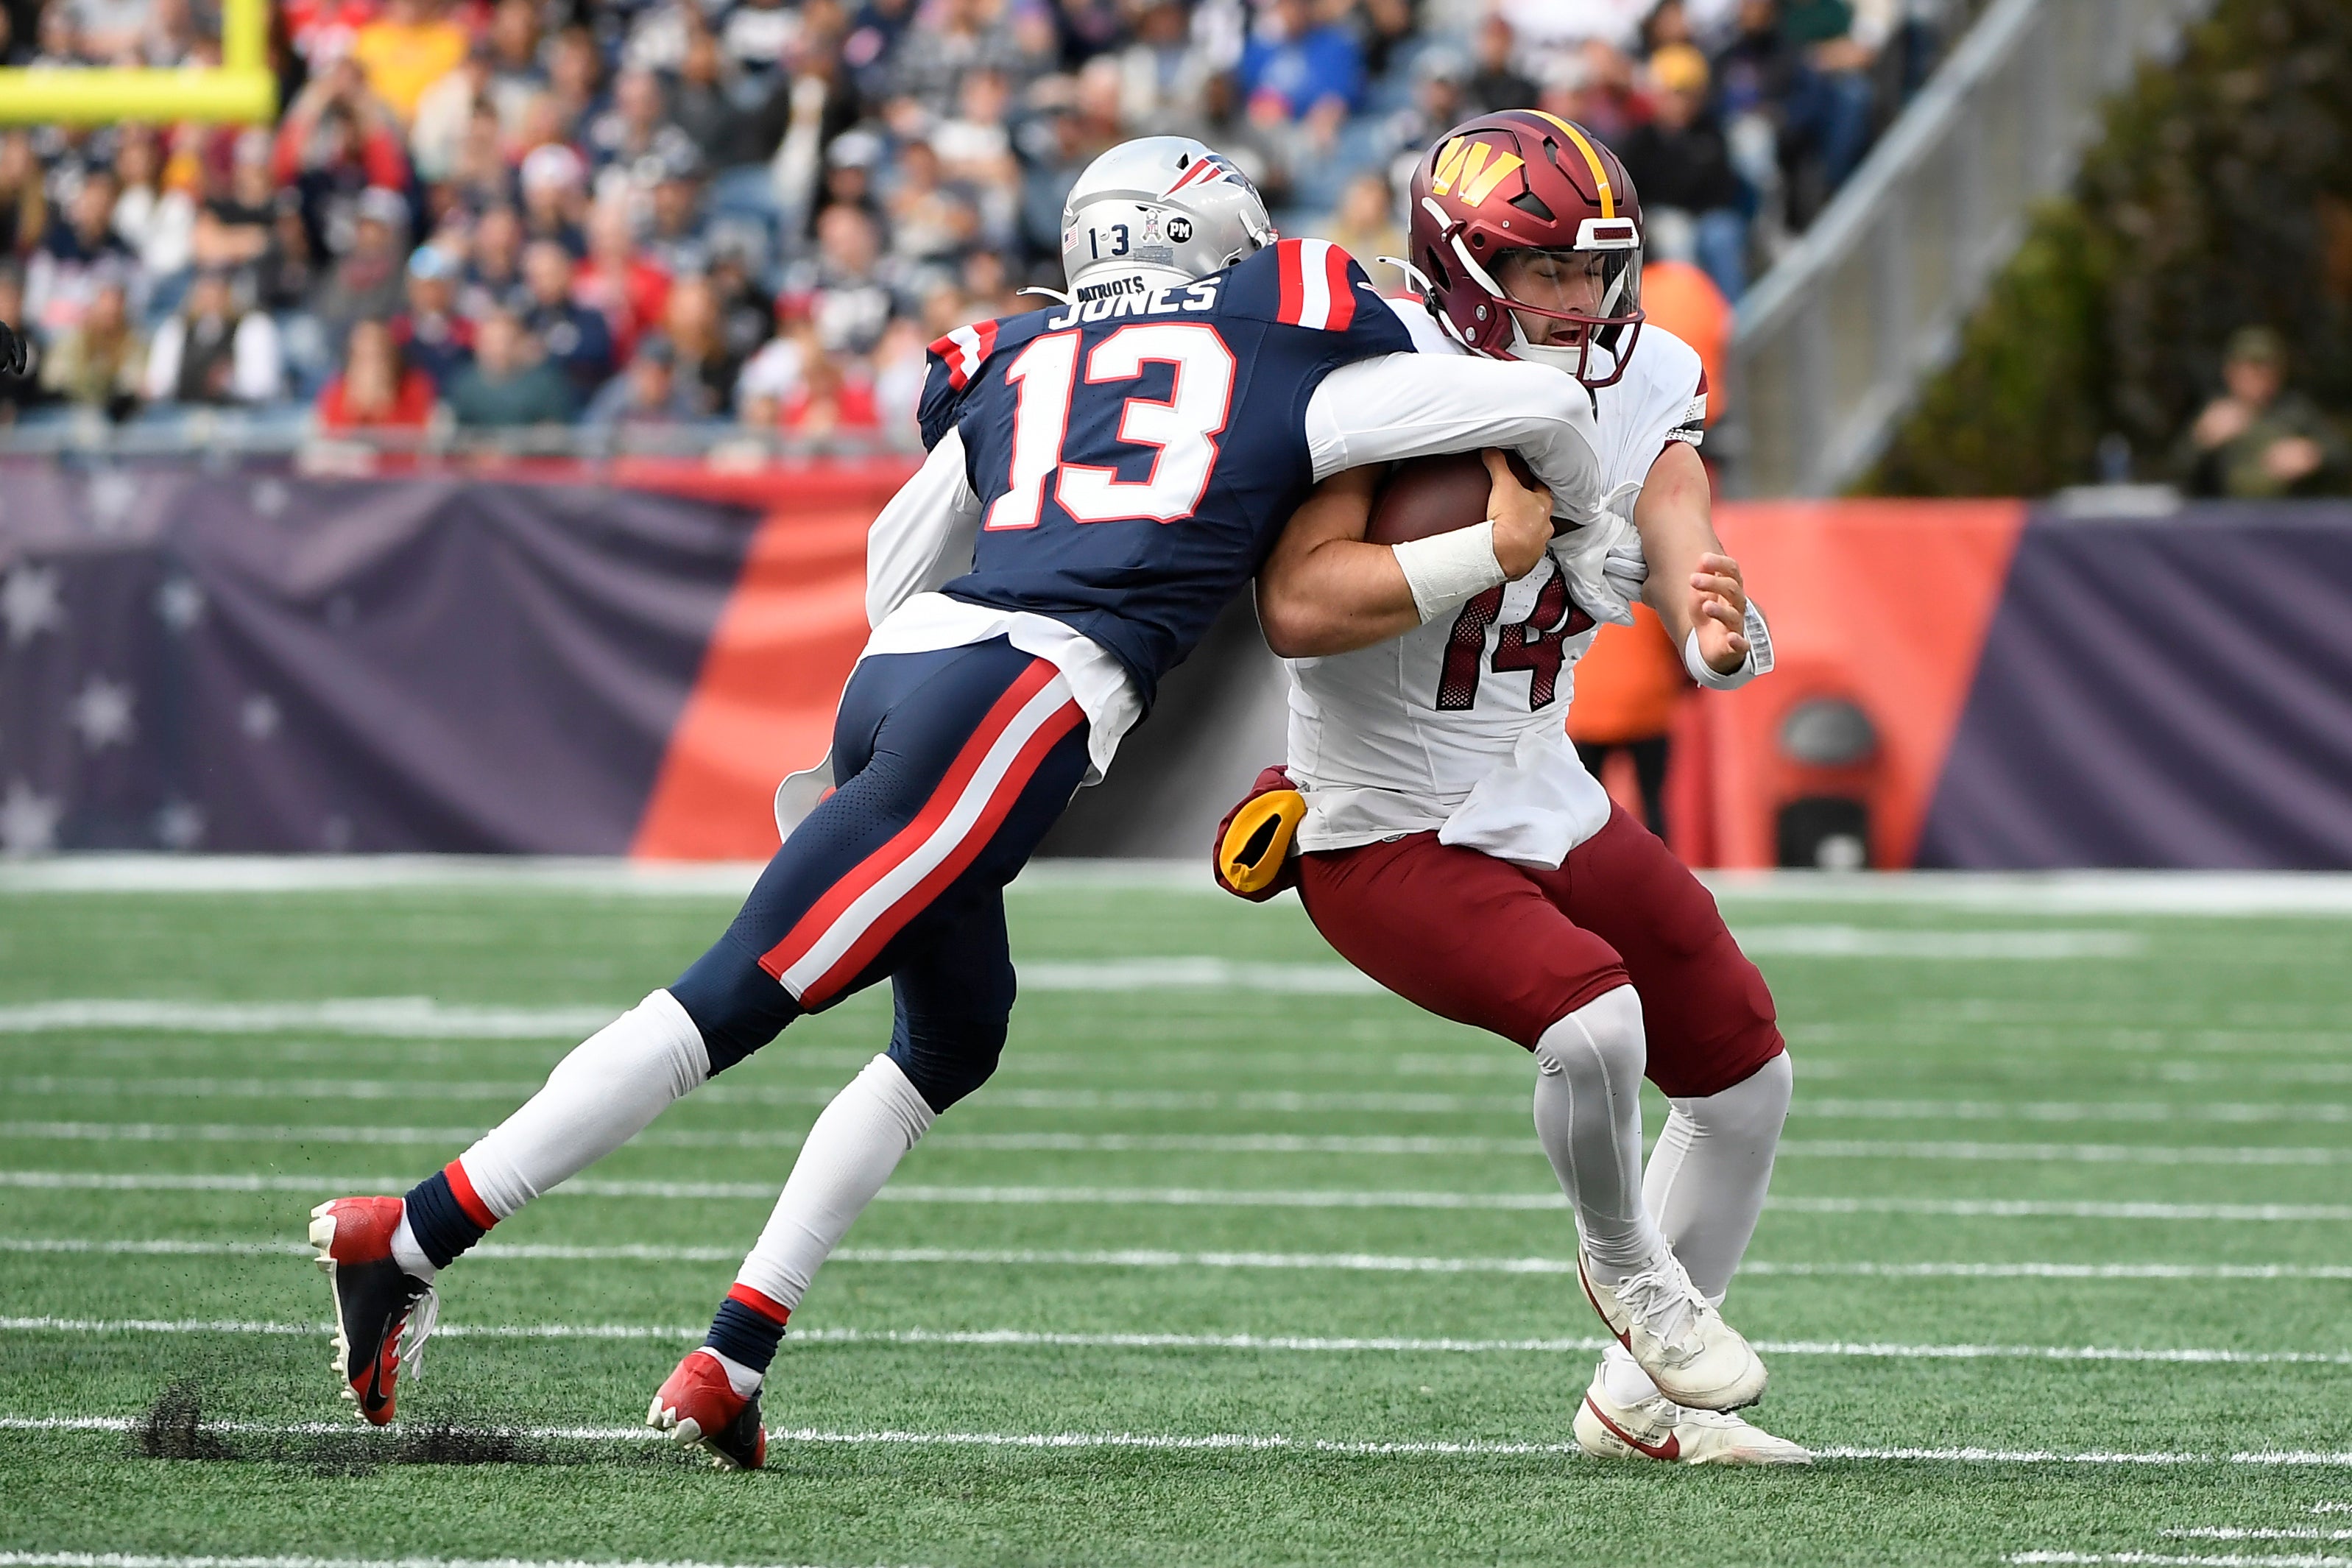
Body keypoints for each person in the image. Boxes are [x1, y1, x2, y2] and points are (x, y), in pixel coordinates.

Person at [307, 134, 1625, 1467]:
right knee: (738, 997)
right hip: (1022, 694)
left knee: (954, 1037)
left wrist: (884, 725)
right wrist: (1559, 531)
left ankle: (731, 1357)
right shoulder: (1285, 326)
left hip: (913, 673)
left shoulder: (1021, 353)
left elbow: (902, 543)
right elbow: (1548, 414)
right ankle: (410, 1234)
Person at [1240, 110, 1803, 1466]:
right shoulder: (1382, 373)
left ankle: (1643, 1410)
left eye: (1592, 271)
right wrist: (1490, 554)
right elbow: (1299, 605)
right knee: (1594, 1023)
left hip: (1537, 780)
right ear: (1461, 262)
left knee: (1743, 1081)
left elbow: (1671, 502)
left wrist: (1702, 612)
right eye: (1540, 271)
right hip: (1380, 813)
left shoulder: (1642, 367)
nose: (1573, 301)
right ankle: (1631, 1274)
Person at [2172, 327, 2348, 499]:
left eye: (2266, 368)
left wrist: (2312, 454)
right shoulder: (2213, 412)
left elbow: (2340, 453)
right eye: (2249, 367)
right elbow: (2174, 472)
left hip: (2286, 516)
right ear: (2230, 371)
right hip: (2224, 517)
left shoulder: (2295, 410)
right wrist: (2201, 441)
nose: (2258, 376)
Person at [143, 267, 284, 406]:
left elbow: (264, 386)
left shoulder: (253, 327)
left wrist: (230, 382)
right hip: (184, 414)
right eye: (205, 288)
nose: (211, 295)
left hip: (240, 417)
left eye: (218, 287)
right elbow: (160, 383)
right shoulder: (176, 329)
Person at [440, 306, 575, 426]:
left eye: (506, 341)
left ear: (521, 343)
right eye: (491, 342)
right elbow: (451, 434)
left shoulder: (545, 383)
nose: (499, 349)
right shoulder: (463, 384)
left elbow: (555, 433)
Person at [316, 317, 437, 430]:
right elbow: (333, 442)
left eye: (379, 355)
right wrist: (355, 408)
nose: (373, 366)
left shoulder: (415, 387)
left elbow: (418, 440)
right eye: (363, 356)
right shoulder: (336, 392)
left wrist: (386, 406)